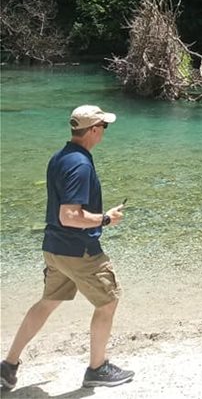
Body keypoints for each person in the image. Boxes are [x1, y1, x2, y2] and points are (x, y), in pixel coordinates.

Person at [1, 106, 134, 391]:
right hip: (79, 250)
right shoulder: (81, 164)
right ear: (94, 129)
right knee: (108, 301)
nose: (104, 132)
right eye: (104, 126)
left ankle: (8, 365)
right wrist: (106, 219)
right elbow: (70, 216)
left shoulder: (60, 157)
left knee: (48, 301)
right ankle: (97, 368)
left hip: (54, 248)